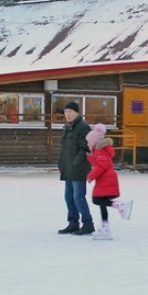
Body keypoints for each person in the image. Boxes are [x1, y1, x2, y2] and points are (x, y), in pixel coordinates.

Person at [86, 123, 133, 240]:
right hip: (106, 178)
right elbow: (100, 162)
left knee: (97, 200)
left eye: (89, 141)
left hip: (105, 178)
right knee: (102, 202)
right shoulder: (100, 150)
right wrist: (90, 157)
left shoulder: (98, 150)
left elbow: (102, 165)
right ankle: (105, 227)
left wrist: (91, 176)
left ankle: (120, 205)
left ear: (94, 141)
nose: (88, 143)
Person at [57, 100, 94, 237]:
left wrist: (75, 163)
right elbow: (65, 148)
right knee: (69, 198)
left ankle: (88, 224)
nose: (68, 114)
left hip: (78, 168)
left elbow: (85, 148)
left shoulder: (82, 127)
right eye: (66, 112)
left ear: (77, 113)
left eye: (71, 112)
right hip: (68, 168)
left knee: (78, 197)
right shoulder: (67, 127)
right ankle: (73, 223)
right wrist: (62, 163)